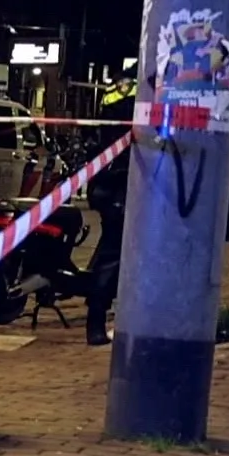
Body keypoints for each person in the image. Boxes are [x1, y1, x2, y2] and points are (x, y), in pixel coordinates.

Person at [84, 80, 135, 346]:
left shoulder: (116, 90)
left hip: (109, 182)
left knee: (111, 251)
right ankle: (96, 320)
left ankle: (100, 312)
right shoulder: (141, 90)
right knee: (113, 254)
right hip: (121, 185)